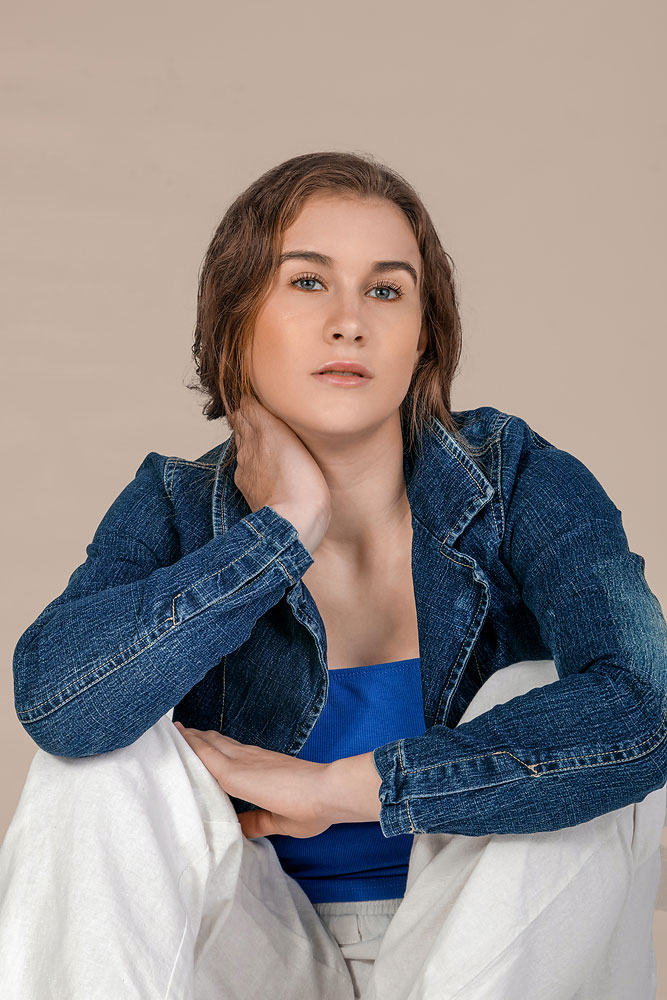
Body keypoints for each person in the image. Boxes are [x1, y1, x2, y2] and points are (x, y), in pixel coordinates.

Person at [1, 150, 666, 999]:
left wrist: (348, 789)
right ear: (237, 320)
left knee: (540, 690)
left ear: (421, 336)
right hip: (263, 956)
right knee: (100, 753)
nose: (349, 322)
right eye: (308, 282)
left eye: (385, 291)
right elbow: (58, 705)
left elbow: (646, 709)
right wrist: (279, 533)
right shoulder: (175, 505)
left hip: (497, 958)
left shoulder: (514, 480)